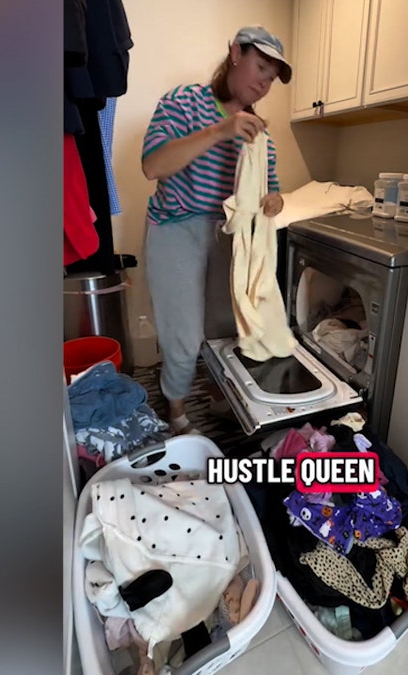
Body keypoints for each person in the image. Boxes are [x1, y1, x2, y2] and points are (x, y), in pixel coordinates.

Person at [141, 26, 292, 435]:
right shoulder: (183, 102)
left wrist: (274, 201)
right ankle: (176, 410)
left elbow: (271, 190)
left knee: (228, 327)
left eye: (271, 78)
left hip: (229, 235)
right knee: (184, 334)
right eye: (260, 67)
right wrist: (220, 131)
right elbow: (153, 166)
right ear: (236, 53)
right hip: (176, 228)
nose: (264, 83)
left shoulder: (260, 136)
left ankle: (218, 397)